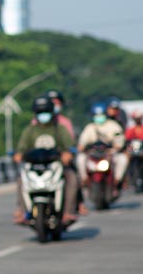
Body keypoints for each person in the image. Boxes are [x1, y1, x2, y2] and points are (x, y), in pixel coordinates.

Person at [12, 95, 79, 225]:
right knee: (21, 181)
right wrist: (18, 154)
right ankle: (23, 211)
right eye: (40, 113)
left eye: (46, 112)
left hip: (56, 166)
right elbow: (21, 148)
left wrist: (68, 153)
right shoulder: (30, 130)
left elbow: (69, 145)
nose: (43, 115)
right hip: (36, 166)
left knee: (72, 178)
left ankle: (68, 212)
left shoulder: (59, 128)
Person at [76, 104, 128, 194]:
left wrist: (117, 146)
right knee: (80, 158)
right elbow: (82, 141)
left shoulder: (113, 126)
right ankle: (84, 180)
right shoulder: (90, 127)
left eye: (101, 115)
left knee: (122, 159)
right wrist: (81, 147)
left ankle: (117, 180)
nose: (99, 117)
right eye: (97, 115)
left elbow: (119, 139)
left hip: (109, 153)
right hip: (93, 154)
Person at [125, 109, 143, 179]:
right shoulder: (131, 129)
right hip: (133, 150)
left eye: (139, 118)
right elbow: (127, 139)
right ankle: (127, 177)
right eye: (136, 119)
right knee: (125, 159)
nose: (138, 120)